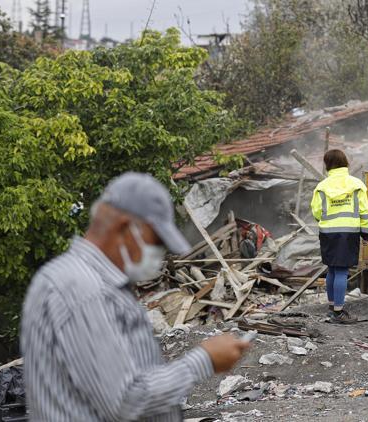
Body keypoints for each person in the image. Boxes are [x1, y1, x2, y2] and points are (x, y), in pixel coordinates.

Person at [20, 172, 249, 421]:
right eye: (155, 241)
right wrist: (204, 360)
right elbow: (125, 400)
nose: (158, 253)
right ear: (124, 227)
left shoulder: (96, 285)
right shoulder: (83, 289)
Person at [310, 150, 368, 324]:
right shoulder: (356, 184)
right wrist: (366, 233)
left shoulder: (322, 187)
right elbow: (364, 211)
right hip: (348, 233)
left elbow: (316, 212)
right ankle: (339, 312)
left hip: (328, 233)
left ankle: (332, 308)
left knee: (332, 269)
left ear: (327, 164)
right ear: (346, 163)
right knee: (342, 271)